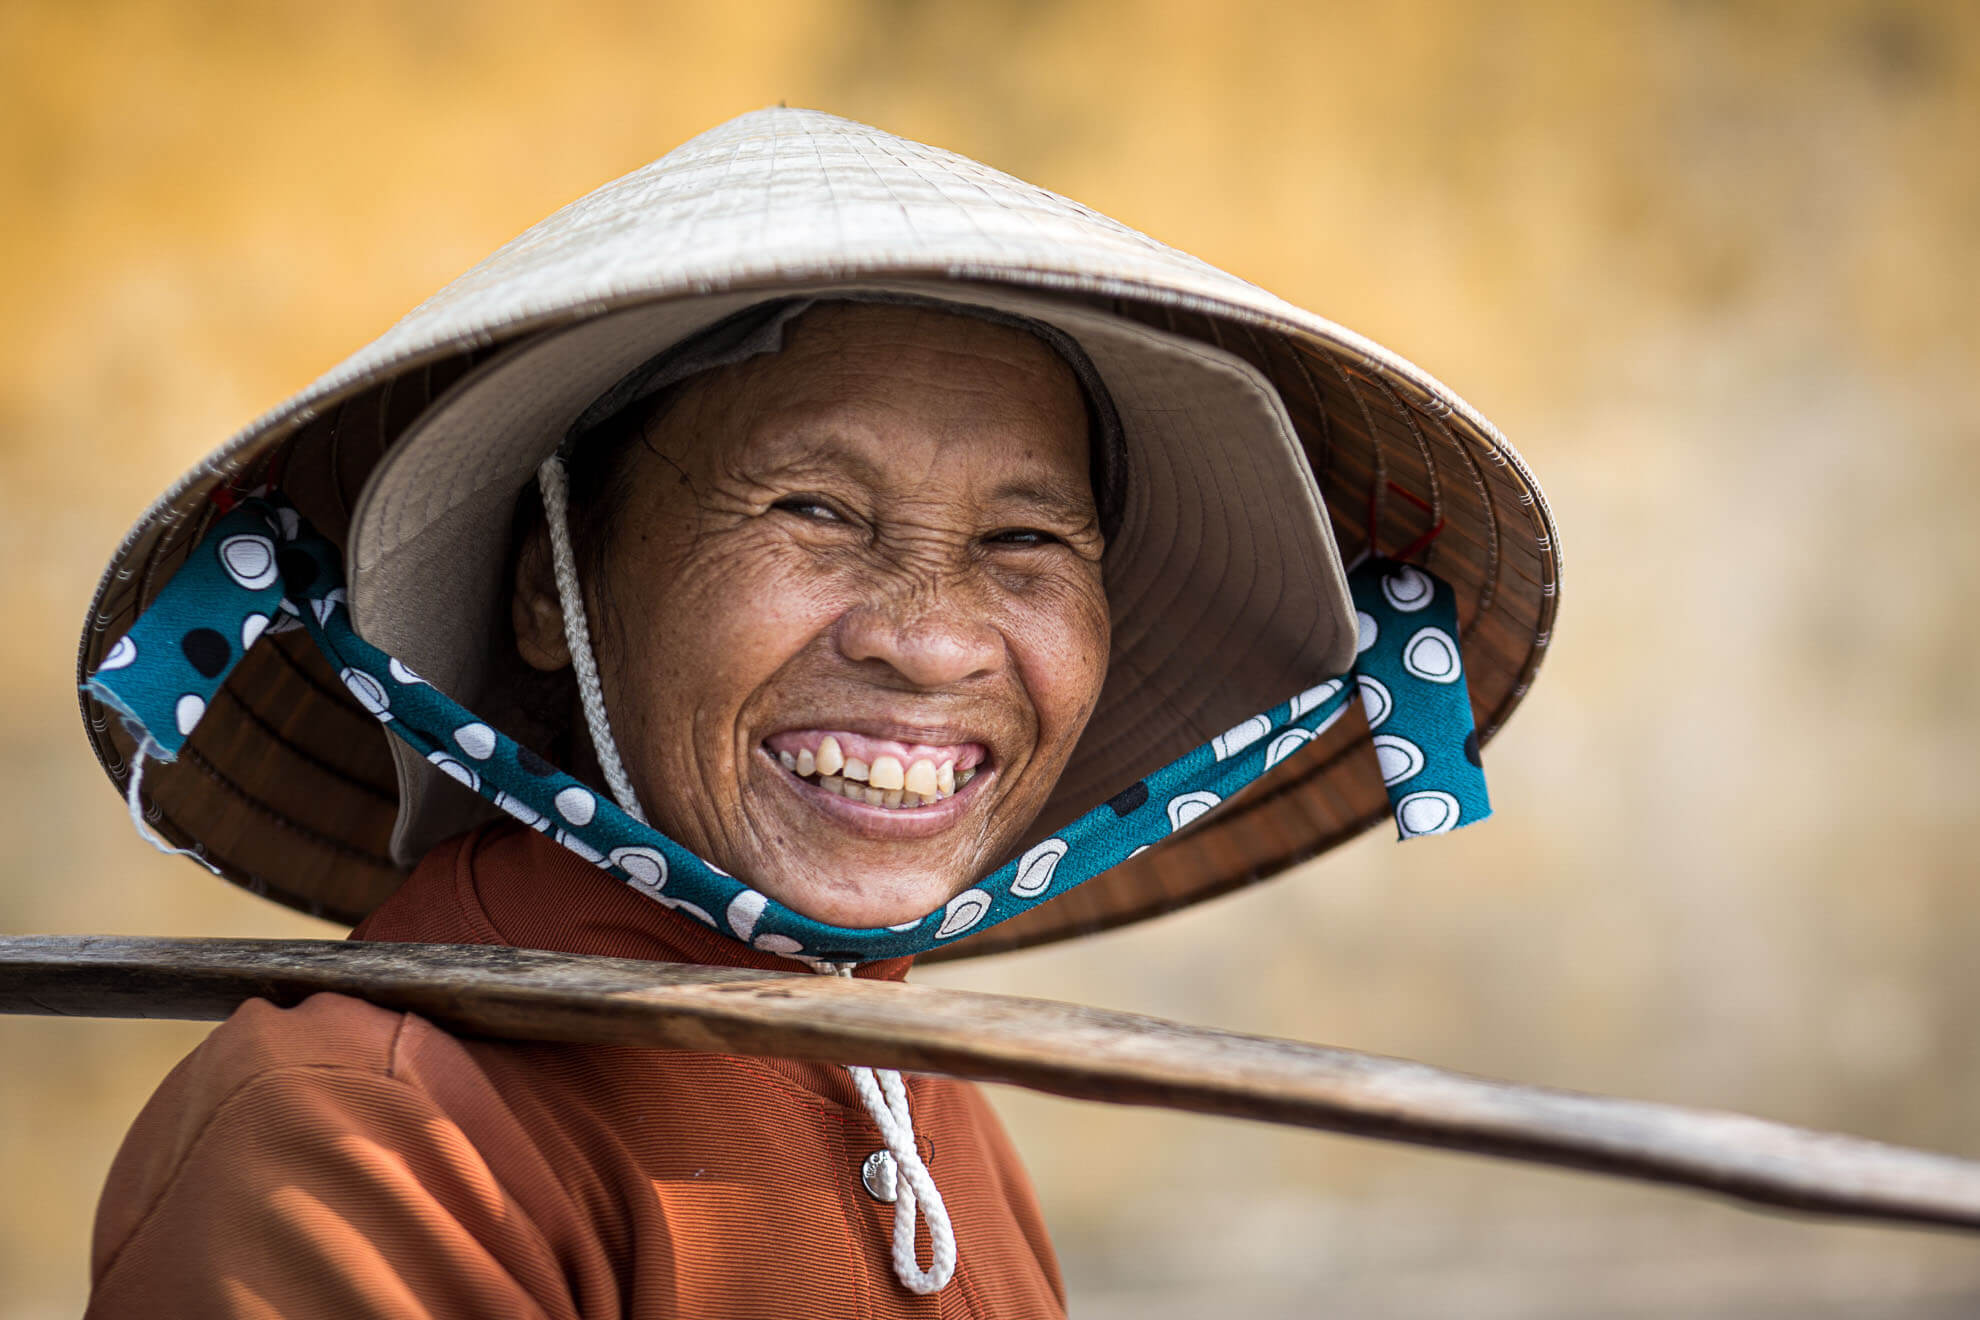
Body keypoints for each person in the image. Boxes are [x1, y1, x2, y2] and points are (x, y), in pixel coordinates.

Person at [76, 108, 1558, 1317]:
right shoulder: (368, 1134)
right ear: (550, 587)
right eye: (816, 511)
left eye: (1026, 544)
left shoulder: (928, 1100)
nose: (928, 643)